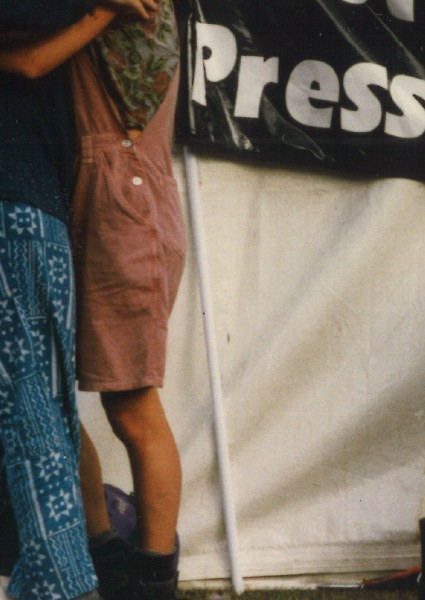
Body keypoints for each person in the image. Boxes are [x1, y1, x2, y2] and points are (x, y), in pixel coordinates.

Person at [0, 1, 154, 599]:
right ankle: (60, 581)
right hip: (28, 214)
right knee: (37, 405)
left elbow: (32, 57)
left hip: (29, 214)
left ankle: (60, 582)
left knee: (36, 405)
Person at [66, 2, 185, 598]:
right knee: (56, 401)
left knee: (132, 408)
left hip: (124, 210)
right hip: (103, 206)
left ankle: (153, 573)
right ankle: (106, 552)